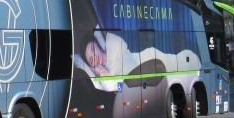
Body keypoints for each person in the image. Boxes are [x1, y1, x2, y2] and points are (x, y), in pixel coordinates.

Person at [73, 32, 201, 92]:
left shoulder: (113, 43)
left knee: (180, 62)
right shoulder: (105, 74)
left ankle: (193, 63)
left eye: (93, 50)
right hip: (145, 70)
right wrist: (101, 72)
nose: (94, 57)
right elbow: (117, 86)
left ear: (98, 45)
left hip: (145, 57)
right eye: (91, 60)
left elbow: (122, 49)